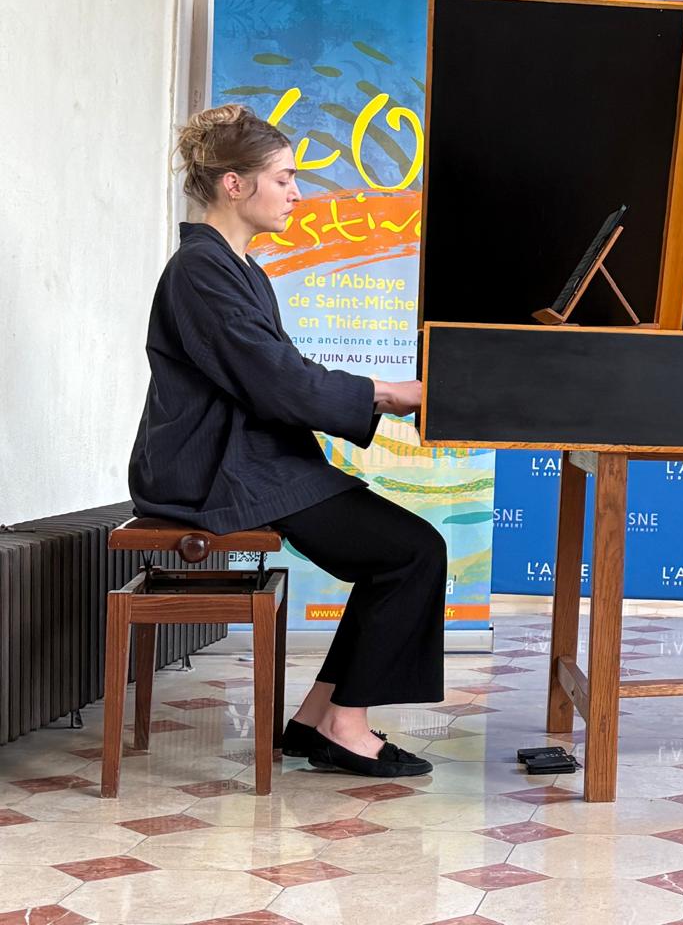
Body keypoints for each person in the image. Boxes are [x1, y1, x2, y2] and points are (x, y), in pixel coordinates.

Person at [129, 104, 446, 779]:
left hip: (251, 457)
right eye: (284, 177)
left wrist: (385, 395)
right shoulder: (200, 271)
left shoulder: (238, 269)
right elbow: (278, 385)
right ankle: (344, 727)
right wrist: (388, 394)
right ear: (234, 185)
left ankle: (315, 720)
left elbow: (280, 383)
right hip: (214, 470)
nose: (298, 193)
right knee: (414, 552)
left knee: (403, 554)